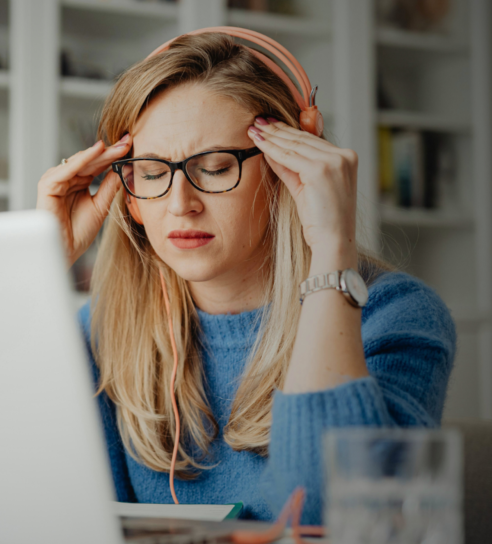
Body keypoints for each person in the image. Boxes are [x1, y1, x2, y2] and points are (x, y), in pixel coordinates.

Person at [36, 32, 456, 525]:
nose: (180, 204)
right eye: (151, 173)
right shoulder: (102, 331)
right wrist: (38, 267)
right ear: (127, 193)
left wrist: (330, 254)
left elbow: (336, 520)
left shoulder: (396, 318)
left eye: (214, 168)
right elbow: (39, 508)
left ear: (288, 168)